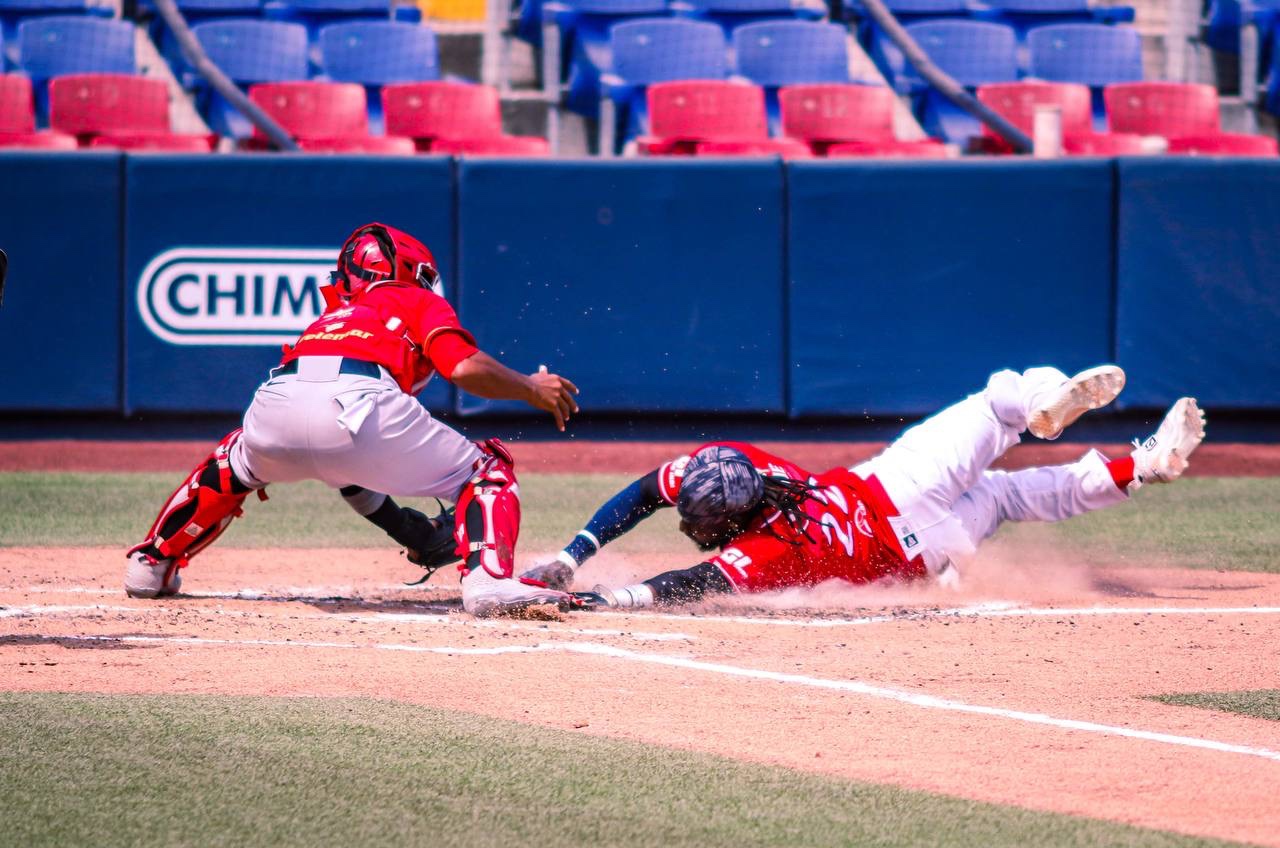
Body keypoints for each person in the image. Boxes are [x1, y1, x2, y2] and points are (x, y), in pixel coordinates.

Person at [126, 223, 579, 616]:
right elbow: (462, 368)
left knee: (234, 459)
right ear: (407, 272)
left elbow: (337, 457)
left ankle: (152, 563)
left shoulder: (329, 318)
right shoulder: (413, 299)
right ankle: (490, 581)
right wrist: (529, 387)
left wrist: (406, 527)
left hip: (274, 403)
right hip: (360, 403)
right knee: (488, 470)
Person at [520, 365, 1206, 609]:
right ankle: (1043, 405)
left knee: (1009, 497)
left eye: (705, 525)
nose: (694, 528)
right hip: (895, 482)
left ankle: (1140, 467)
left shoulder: (768, 552)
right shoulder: (734, 461)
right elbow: (647, 491)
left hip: (920, 549)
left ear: (733, 517)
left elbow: (686, 584)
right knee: (1001, 405)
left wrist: (598, 592)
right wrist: (574, 555)